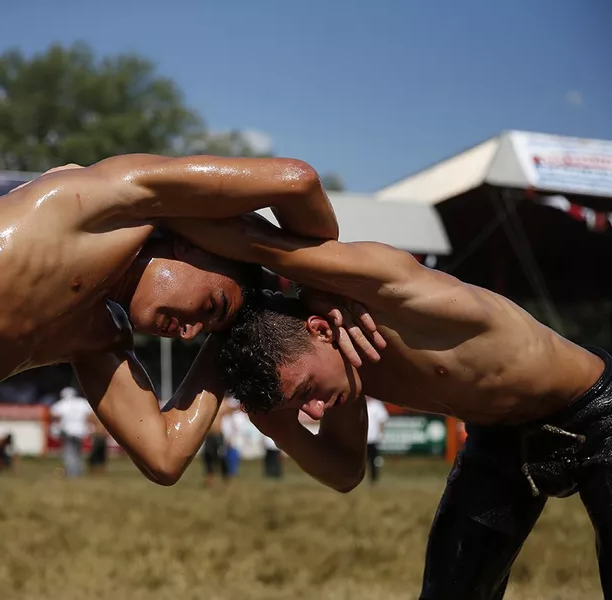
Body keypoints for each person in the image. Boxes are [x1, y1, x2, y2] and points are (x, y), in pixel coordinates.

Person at [0, 154, 382, 599]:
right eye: (207, 307)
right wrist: (331, 293)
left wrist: (228, 339)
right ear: (198, 244)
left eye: (202, 334)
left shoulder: (93, 336)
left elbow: (164, 457)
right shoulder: (104, 199)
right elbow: (297, 181)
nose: (186, 335)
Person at [168, 214, 612, 599]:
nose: (316, 411)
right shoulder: (342, 373)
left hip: (598, 410)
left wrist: (138, 207)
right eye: (301, 404)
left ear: (321, 328)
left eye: (307, 391)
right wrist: (275, 424)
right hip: (499, 440)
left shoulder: (379, 290)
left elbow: (253, 236)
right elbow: (346, 473)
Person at [50, 387, 93, 478]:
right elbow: (89, 415)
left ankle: (71, 473)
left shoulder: (60, 404)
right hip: (80, 431)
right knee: (78, 453)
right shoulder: (82, 403)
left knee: (69, 453)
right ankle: (78, 472)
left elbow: (54, 416)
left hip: (67, 431)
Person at [365, 397, 390, 484]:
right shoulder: (360, 404)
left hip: (373, 438)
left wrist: (380, 433)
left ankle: (373, 478)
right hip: (363, 439)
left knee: (373, 460)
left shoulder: (377, 405)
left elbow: (382, 419)